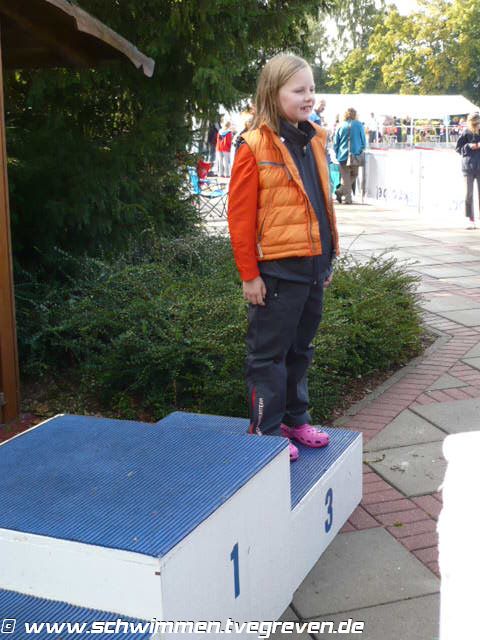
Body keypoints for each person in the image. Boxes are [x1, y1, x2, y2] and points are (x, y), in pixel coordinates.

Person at [227, 54, 339, 462]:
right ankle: (266, 430)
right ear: (274, 94)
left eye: (312, 89)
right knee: (269, 355)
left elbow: (321, 203)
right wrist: (249, 275)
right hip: (276, 273)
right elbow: (240, 217)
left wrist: (327, 259)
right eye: (298, 90)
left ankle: (295, 419)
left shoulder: (315, 139)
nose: (309, 97)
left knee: (301, 350)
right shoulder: (254, 145)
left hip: (312, 268)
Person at [333, 108, 366, 204]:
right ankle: (348, 199)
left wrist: (337, 152)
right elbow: (363, 140)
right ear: (355, 115)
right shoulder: (359, 125)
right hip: (356, 154)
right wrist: (361, 149)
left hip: (342, 154)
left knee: (346, 177)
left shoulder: (340, 125)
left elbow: (336, 142)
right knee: (354, 174)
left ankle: (340, 191)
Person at [456, 112, 480, 229]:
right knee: (468, 195)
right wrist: (469, 146)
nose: (477, 124)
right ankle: (470, 220)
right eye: (475, 121)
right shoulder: (465, 133)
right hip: (468, 168)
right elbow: (458, 148)